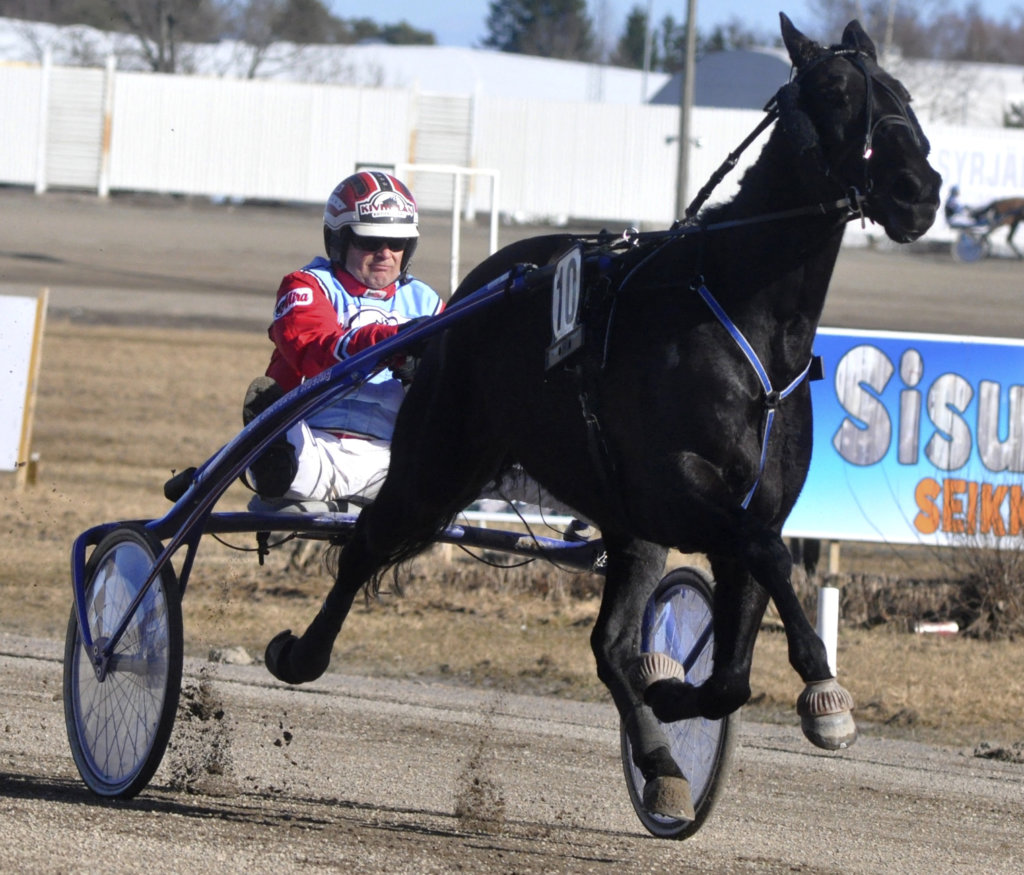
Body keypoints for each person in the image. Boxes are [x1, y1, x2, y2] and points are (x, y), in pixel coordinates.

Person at [243, 170, 444, 507]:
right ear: (338, 241)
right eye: (369, 242)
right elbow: (312, 347)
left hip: (393, 454)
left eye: (396, 244)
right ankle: (275, 455)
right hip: (314, 442)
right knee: (293, 457)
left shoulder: (429, 303)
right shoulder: (307, 286)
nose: (385, 254)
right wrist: (397, 342)